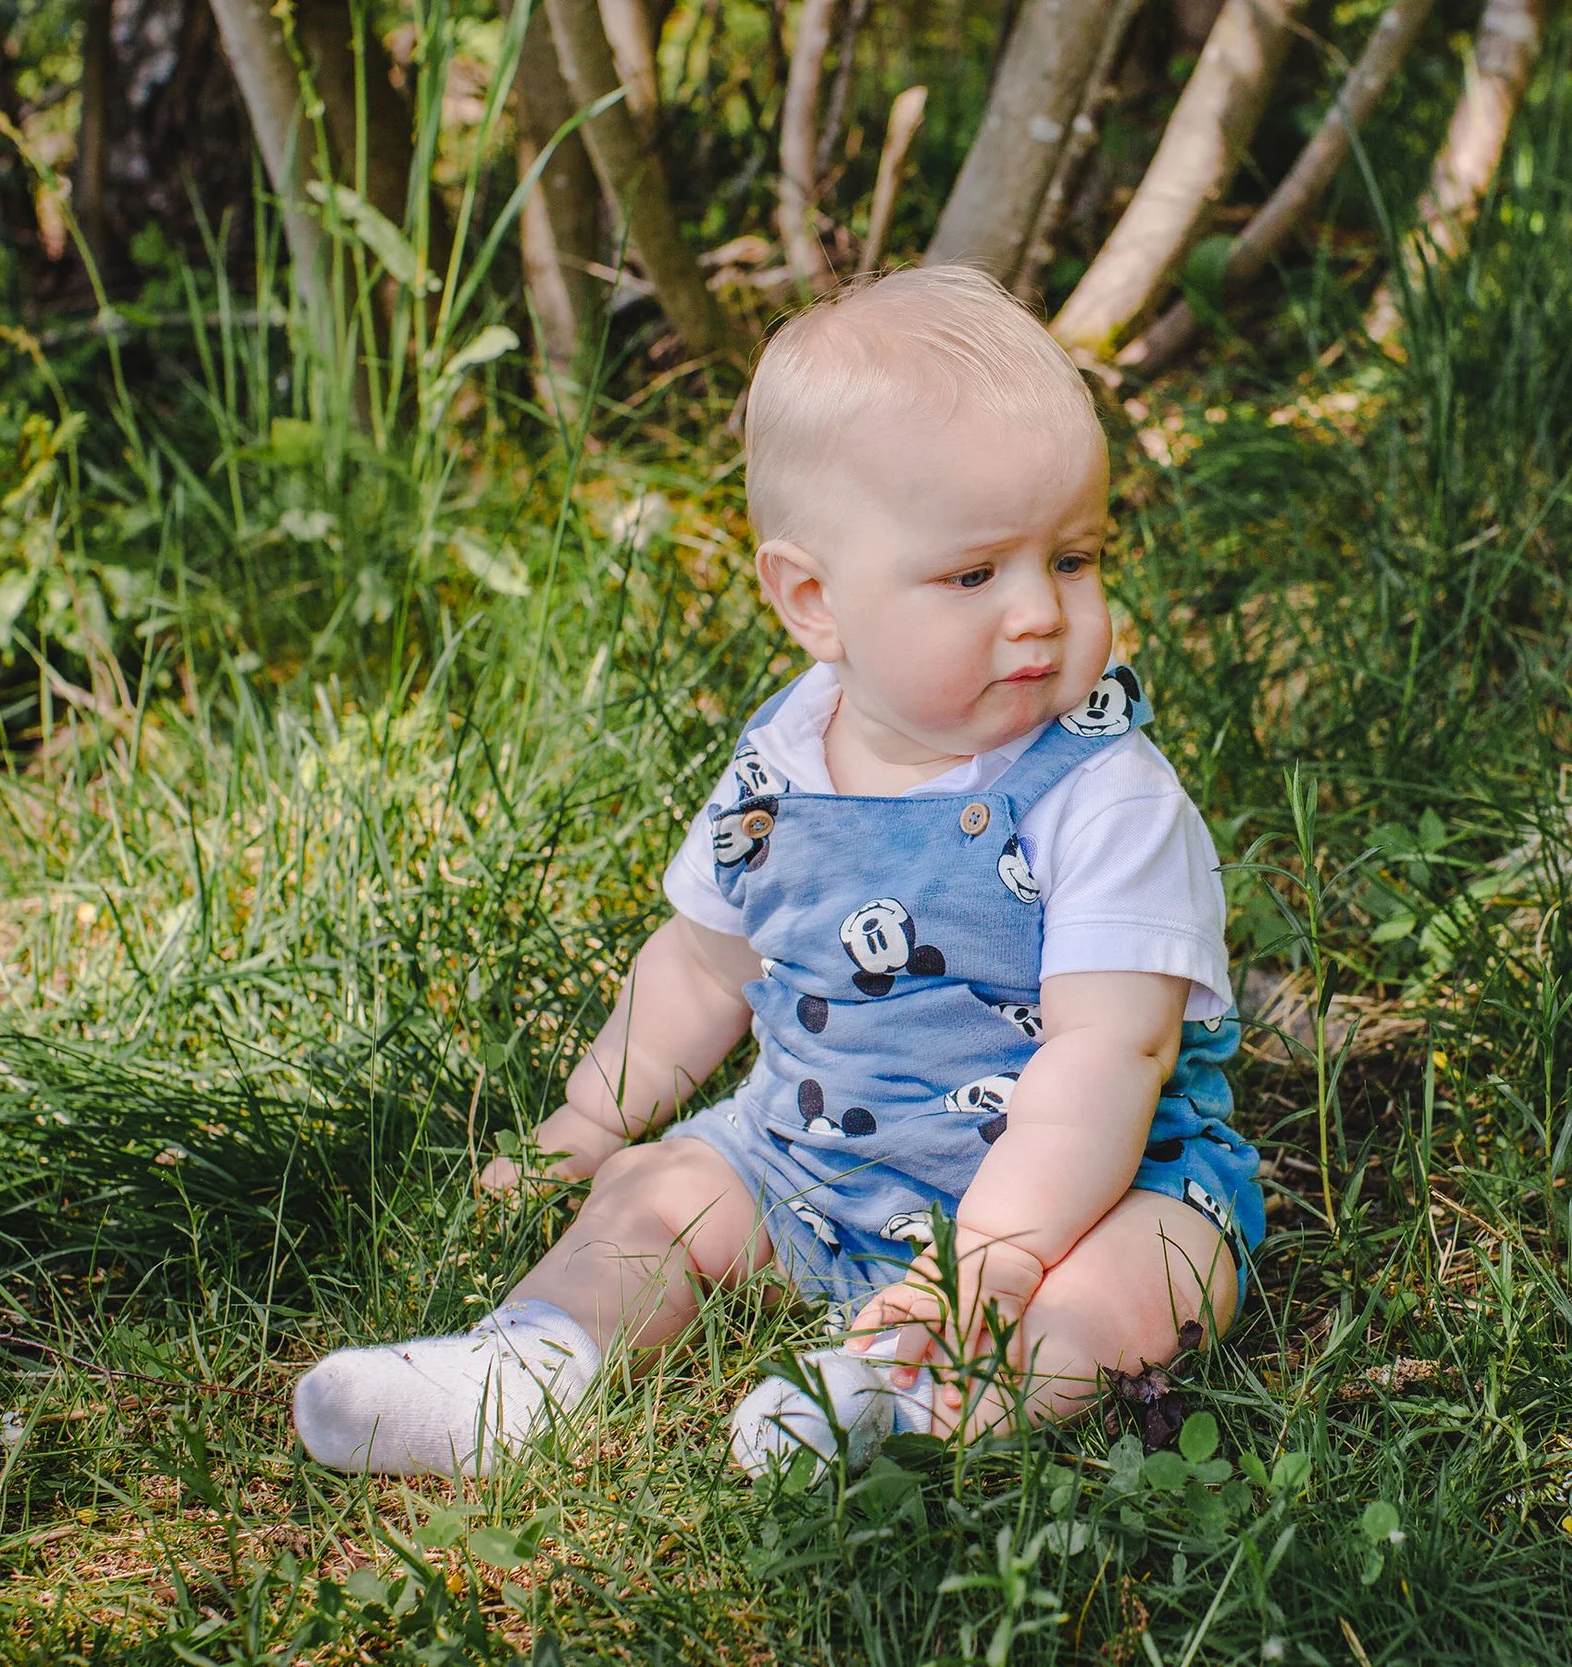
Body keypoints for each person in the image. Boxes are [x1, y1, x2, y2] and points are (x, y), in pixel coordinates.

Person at [289, 266, 1263, 1477]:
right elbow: (703, 963)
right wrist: (595, 1119)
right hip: (805, 1160)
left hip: (1089, 1184)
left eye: (1072, 558)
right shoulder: (779, 765)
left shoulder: (1106, 793)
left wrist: (1001, 1249)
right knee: (652, 1196)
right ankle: (524, 1364)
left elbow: (1111, 1049)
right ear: (812, 600)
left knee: (1150, 1275)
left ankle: (900, 1407)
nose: (1039, 615)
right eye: (974, 574)